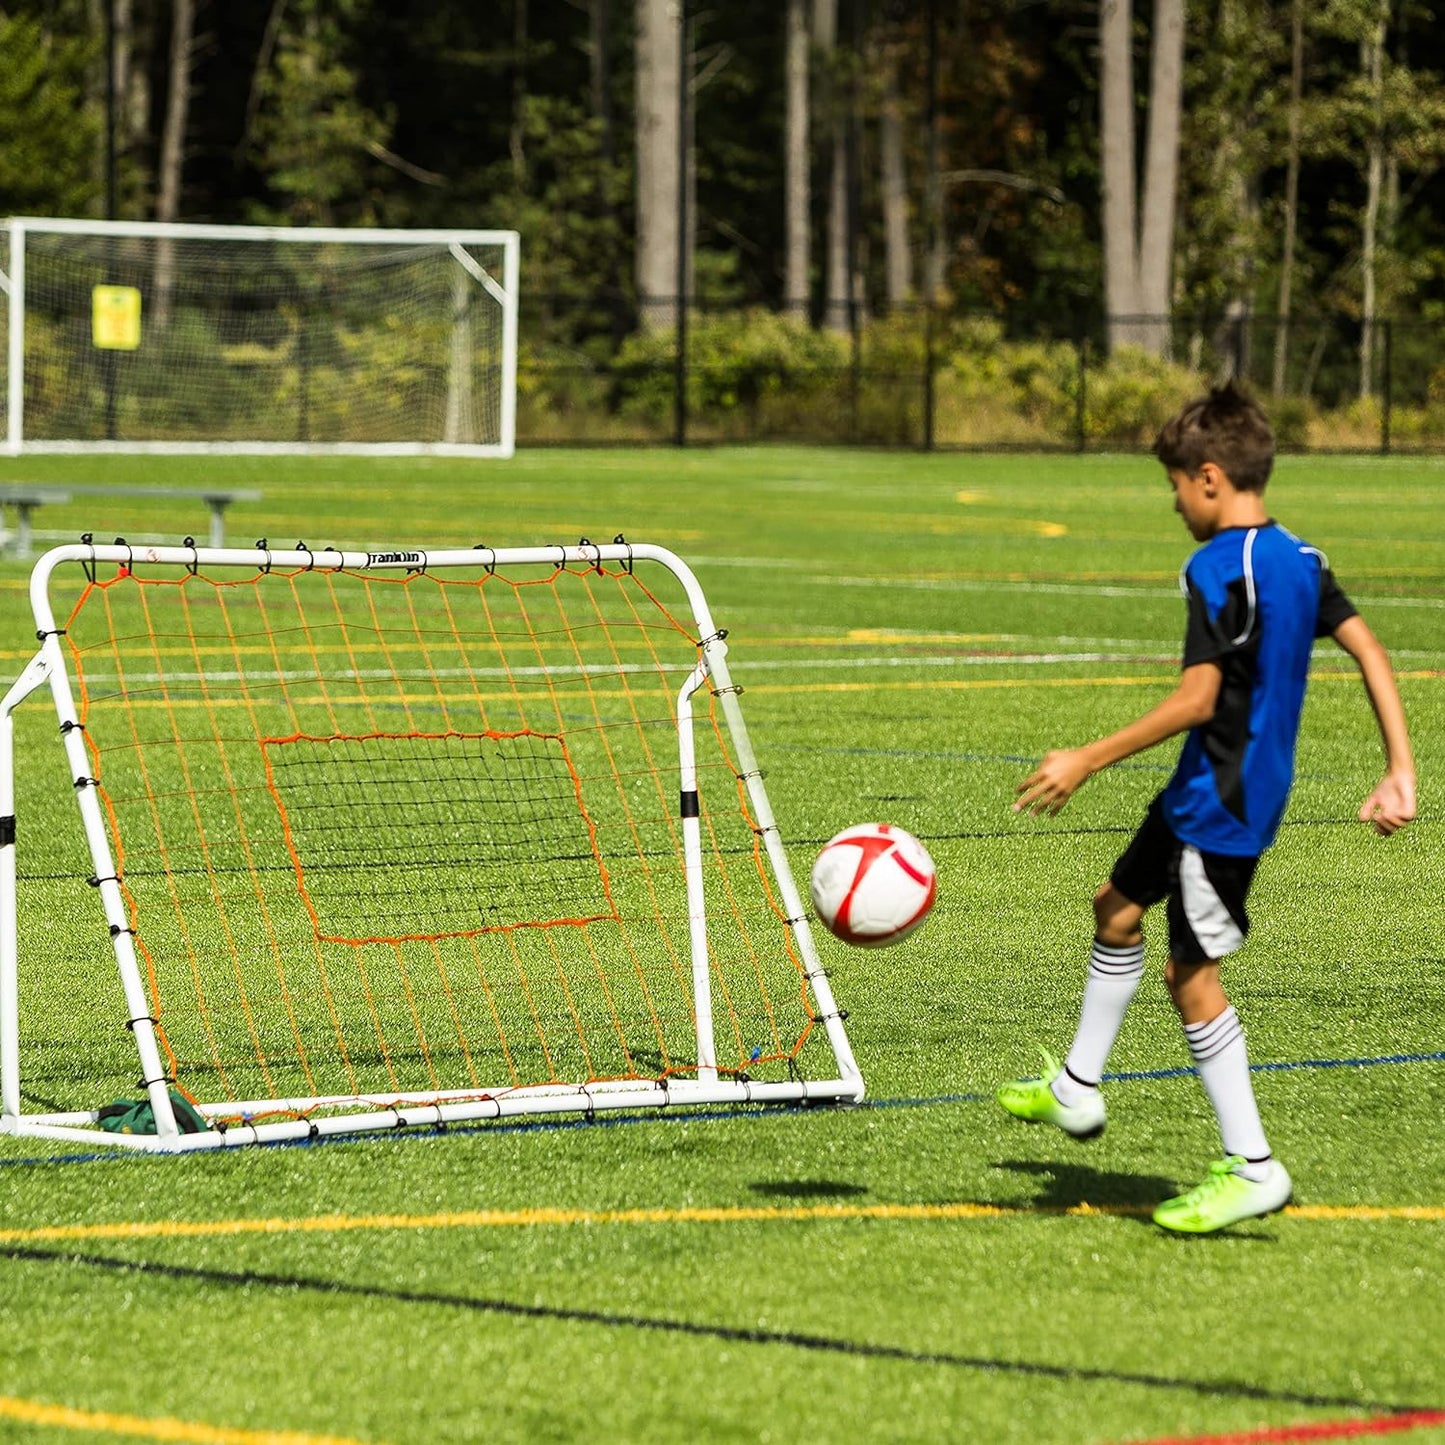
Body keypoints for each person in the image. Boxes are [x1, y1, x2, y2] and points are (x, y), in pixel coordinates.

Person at [998, 382, 1416, 1234]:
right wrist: (1398, 766)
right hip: (1203, 786)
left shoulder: (1218, 565)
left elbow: (1195, 698)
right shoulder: (1300, 558)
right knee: (1114, 908)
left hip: (1222, 805)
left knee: (1191, 978)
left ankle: (1253, 1163)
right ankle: (1077, 1088)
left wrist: (1085, 756)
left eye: (1177, 486)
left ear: (1211, 477)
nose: (1177, 503)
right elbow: (1369, 647)